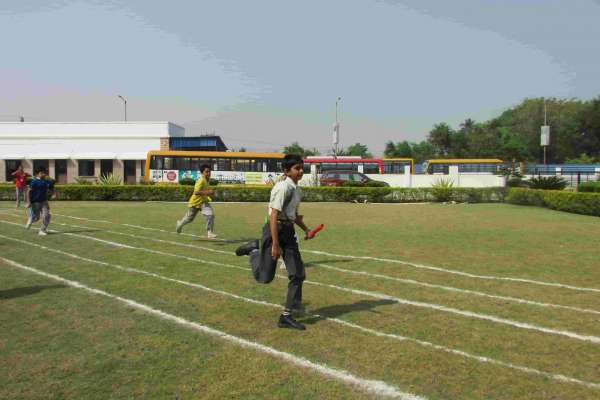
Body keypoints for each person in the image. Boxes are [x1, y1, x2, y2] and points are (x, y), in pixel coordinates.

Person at [235, 154, 314, 331]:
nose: (301, 171)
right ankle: (253, 251)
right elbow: (273, 216)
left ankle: (287, 315)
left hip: (288, 231)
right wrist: (276, 244)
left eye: (302, 167)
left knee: (298, 274)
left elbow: (293, 216)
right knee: (264, 277)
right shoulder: (282, 187)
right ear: (286, 171)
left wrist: (306, 229)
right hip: (274, 231)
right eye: (297, 168)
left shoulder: (297, 190)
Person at [176, 164, 217, 239]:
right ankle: (180, 224)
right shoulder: (201, 180)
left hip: (203, 202)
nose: (208, 173)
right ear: (202, 173)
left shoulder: (207, 180)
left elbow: (205, 191)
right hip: (195, 203)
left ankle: (209, 232)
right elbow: (196, 192)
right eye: (206, 172)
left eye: (209, 171)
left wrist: (209, 194)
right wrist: (208, 192)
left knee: (210, 215)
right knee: (189, 219)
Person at [24, 166, 56, 236]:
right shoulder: (34, 182)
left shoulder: (46, 181)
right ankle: (31, 219)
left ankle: (42, 230)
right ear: (39, 174)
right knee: (37, 218)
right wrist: (28, 202)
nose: (44, 174)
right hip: (35, 202)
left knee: (47, 215)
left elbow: (52, 186)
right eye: (43, 173)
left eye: (44, 173)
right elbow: (28, 192)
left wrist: (54, 193)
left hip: (44, 201)